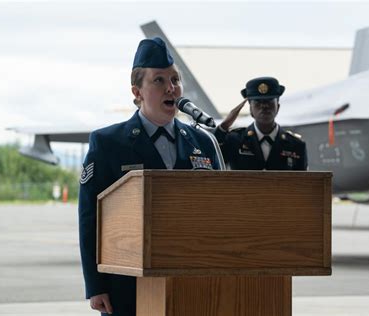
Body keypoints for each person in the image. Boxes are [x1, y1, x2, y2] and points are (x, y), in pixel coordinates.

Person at [78, 37, 220, 316]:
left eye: (175, 80)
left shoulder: (202, 142)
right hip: (127, 286)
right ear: (137, 91)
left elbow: (218, 211)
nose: (171, 88)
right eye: (159, 81)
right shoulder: (108, 143)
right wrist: (95, 285)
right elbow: (89, 217)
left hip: (192, 282)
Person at [214, 76, 308, 170]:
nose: (264, 107)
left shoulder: (296, 145)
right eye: (258, 102)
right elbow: (214, 159)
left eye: (269, 101)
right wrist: (223, 127)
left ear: (278, 107)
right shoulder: (235, 140)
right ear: (250, 109)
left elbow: (304, 181)